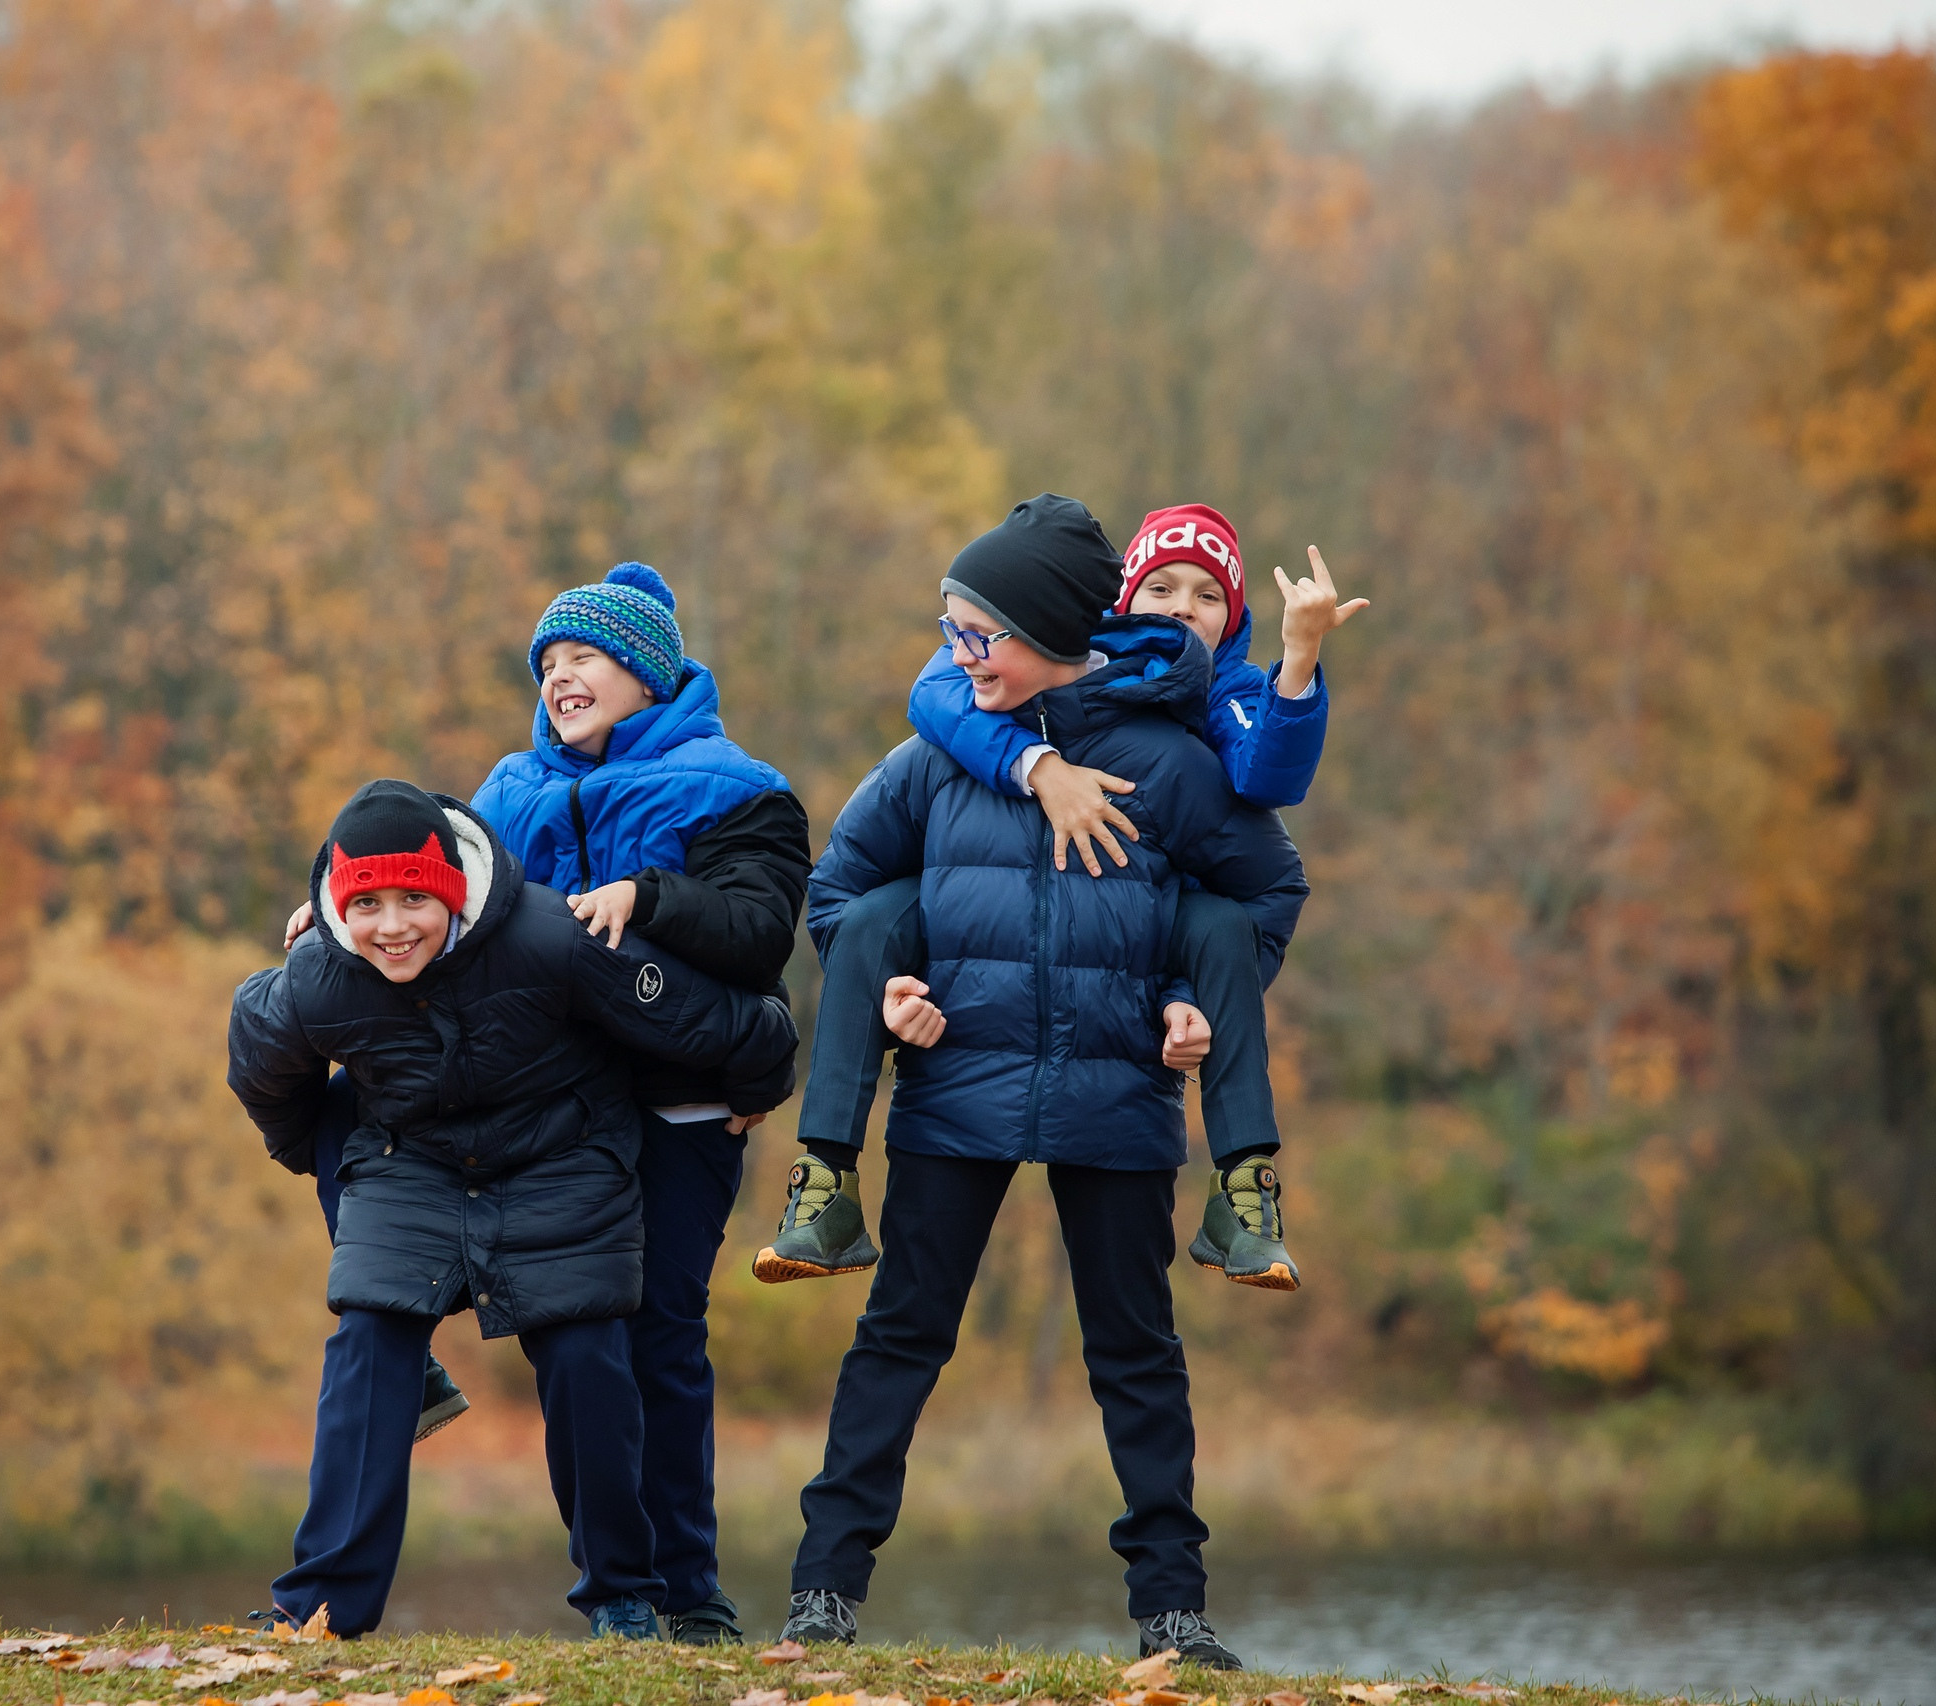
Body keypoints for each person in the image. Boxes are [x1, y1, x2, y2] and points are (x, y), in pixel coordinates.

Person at [777, 495, 1307, 1665]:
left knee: (1135, 1353)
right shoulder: (938, 756)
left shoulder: (1170, 766)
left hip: (1116, 1091)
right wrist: (887, 994)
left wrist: (1193, 1000)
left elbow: (1265, 893)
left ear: (1056, 631)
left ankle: (1172, 1613)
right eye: (951, 633)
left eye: (979, 636)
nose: (959, 656)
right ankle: (823, 1593)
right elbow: (840, 896)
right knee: (901, 1334)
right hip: (953, 1087)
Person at [280, 562, 809, 1645]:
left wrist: (649, 896)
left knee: (652, 1333)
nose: (563, 675)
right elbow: (444, 892)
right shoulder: (509, 789)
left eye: (587, 656)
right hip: (550, 1104)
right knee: (349, 1114)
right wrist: (339, 900)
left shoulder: (735, 787)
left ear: (648, 671)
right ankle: (405, 1362)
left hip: (675, 1094)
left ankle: (679, 1592)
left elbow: (761, 933)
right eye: (550, 662)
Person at [759, 502, 1362, 1292]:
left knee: (1218, 926)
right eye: (1162, 589)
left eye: (1208, 595)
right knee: (874, 916)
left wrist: (1300, 656)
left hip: (1145, 945)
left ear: (1234, 616)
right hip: (984, 993)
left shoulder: (1219, 699)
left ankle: (1246, 1189)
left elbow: (1269, 784)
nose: (1182, 608)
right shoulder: (1019, 675)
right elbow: (938, 693)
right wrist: (1038, 766)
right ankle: (826, 1174)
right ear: (1113, 608)